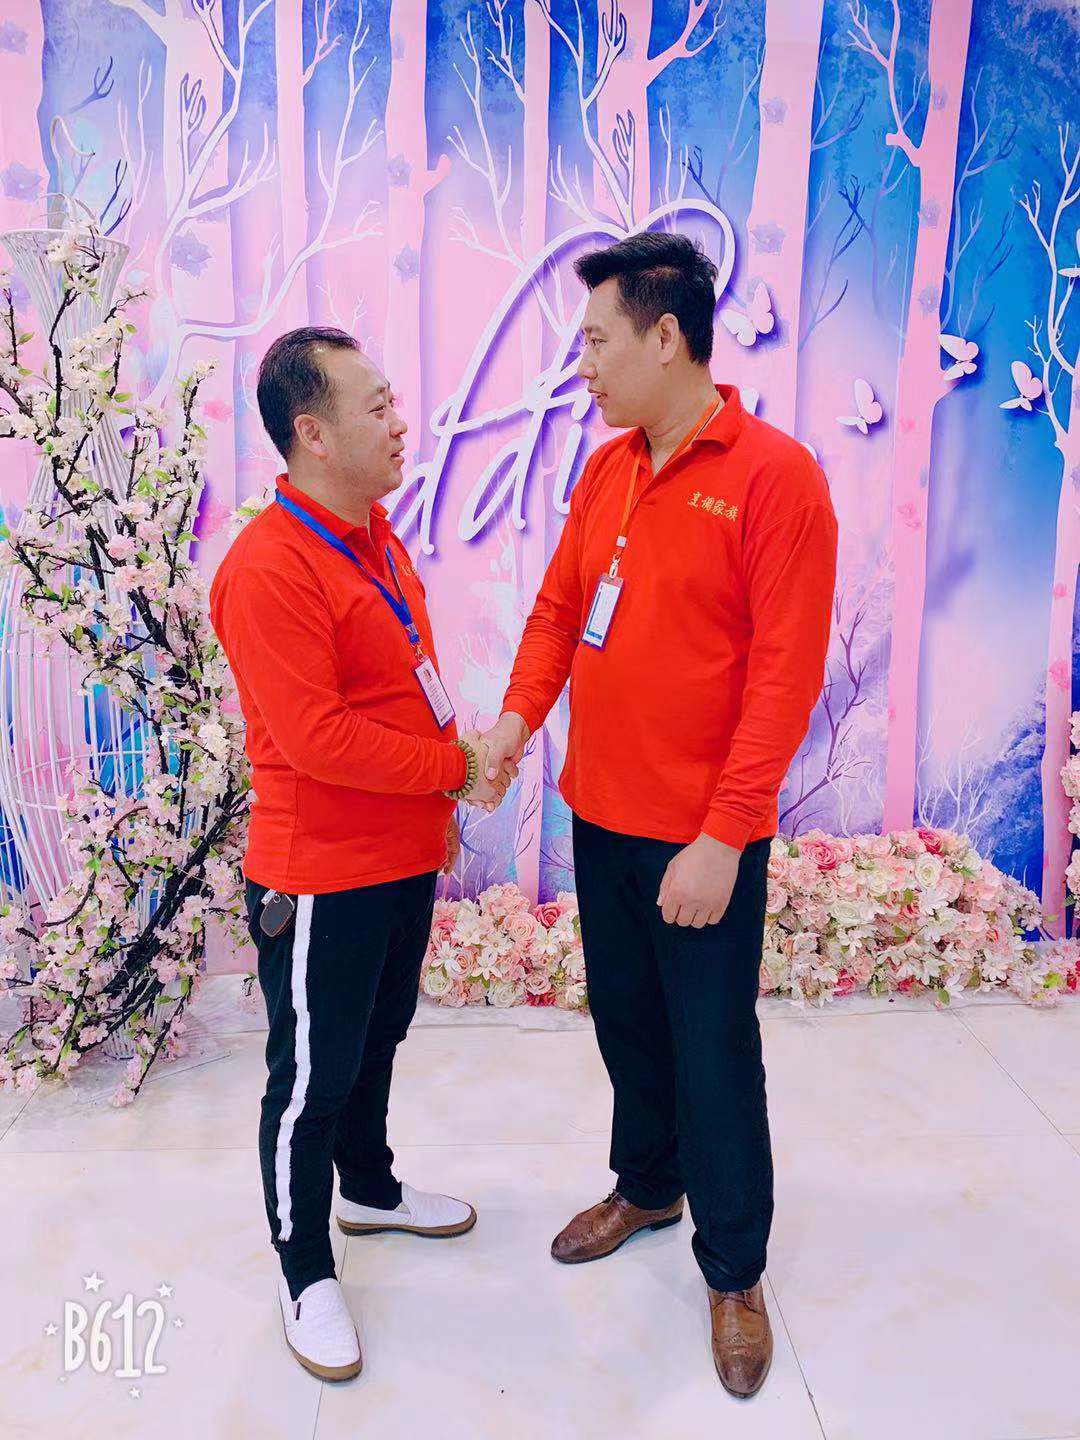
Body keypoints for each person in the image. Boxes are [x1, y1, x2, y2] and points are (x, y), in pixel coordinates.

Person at [481, 232, 838, 1398]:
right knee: (629, 1023)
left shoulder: (777, 478)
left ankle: (733, 1268)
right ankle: (647, 1185)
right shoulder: (607, 470)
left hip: (702, 839)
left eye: (596, 340)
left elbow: (783, 678)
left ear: (667, 336)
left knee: (712, 1048)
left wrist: (725, 836)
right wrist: (517, 723)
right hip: (602, 814)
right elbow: (556, 612)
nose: (581, 364)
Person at [209, 327, 511, 1382]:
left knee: (378, 1037)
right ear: (313, 432)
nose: (399, 422)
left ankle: (370, 1192)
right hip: (321, 873)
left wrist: (448, 780)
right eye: (377, 405)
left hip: (399, 855)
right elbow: (318, 740)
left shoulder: (375, 536)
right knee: (311, 1077)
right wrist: (455, 768)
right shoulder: (267, 568)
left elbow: (403, 683)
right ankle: (304, 1270)